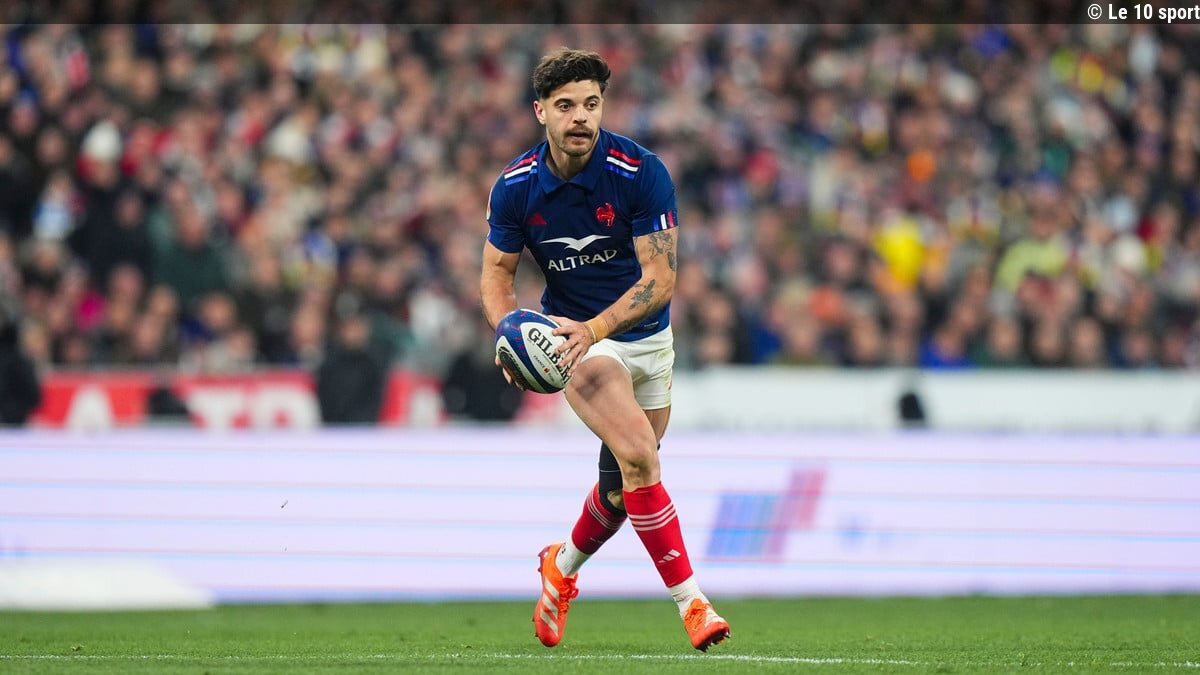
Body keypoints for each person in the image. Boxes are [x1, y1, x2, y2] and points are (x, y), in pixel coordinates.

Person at [478, 48, 730, 652]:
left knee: (621, 491)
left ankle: (560, 565)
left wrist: (598, 327)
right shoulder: (515, 188)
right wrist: (510, 333)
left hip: (648, 339)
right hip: (576, 342)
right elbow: (496, 275)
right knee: (641, 456)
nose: (581, 117)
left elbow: (660, 281)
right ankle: (693, 604)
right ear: (540, 111)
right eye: (566, 105)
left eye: (591, 104)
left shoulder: (641, 172)